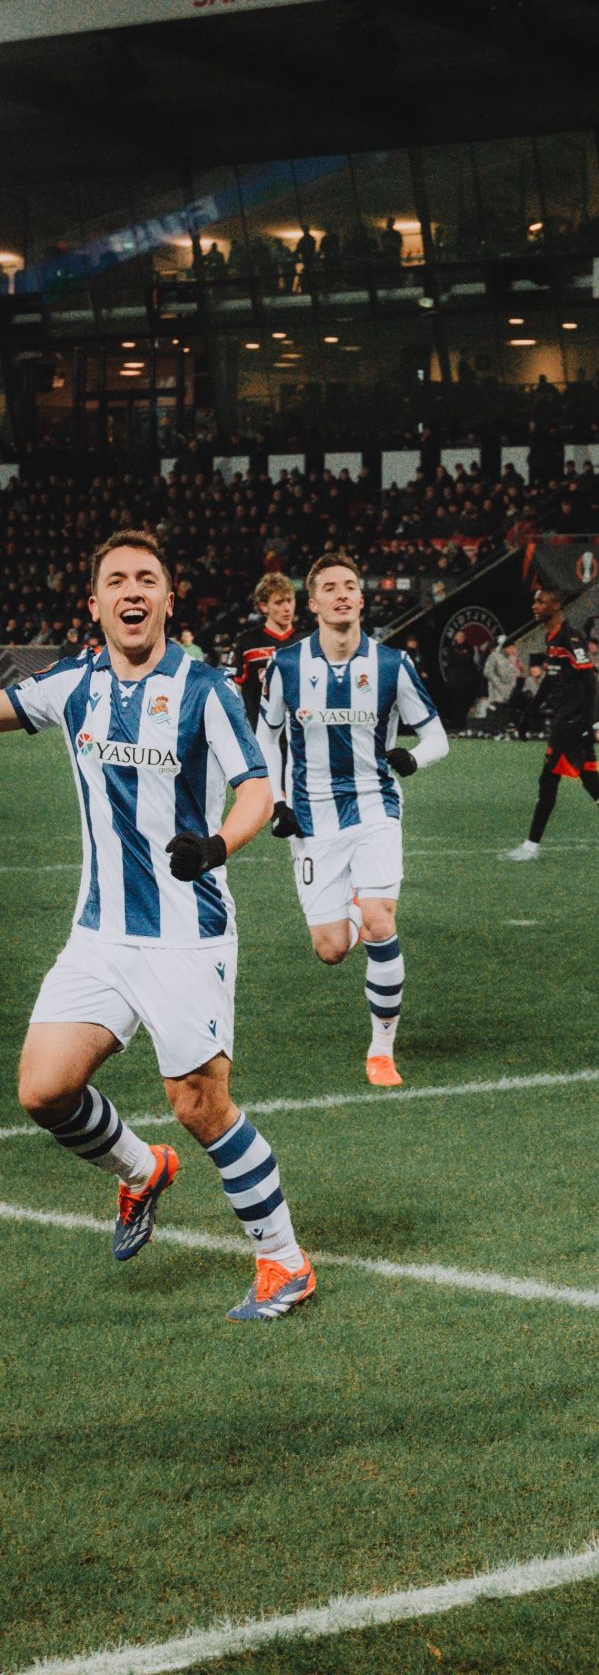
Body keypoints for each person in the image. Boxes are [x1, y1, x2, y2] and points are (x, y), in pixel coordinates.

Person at [1, 530, 316, 1320]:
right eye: (116, 580)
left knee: (201, 1106)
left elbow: (257, 791)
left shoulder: (204, 687)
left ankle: (285, 1262)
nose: (131, 591)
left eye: (147, 579)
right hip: (100, 932)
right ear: (97, 603)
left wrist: (214, 846)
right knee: (43, 1089)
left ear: (168, 601)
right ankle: (142, 1171)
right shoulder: (72, 684)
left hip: (186, 933)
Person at [259, 551, 449, 1087]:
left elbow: (437, 736)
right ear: (313, 602)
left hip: (375, 809)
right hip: (313, 820)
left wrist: (414, 757)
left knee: (380, 920)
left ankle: (381, 1050)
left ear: (361, 600)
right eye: (330, 587)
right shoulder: (286, 666)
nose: (342, 594)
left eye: (350, 586)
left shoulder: (392, 665)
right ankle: (351, 906)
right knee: (332, 949)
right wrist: (275, 801)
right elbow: (265, 738)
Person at [500, 587, 599, 863]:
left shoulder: (570, 636)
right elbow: (550, 680)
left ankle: (530, 846)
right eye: (535, 601)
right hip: (567, 718)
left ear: (557, 605)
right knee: (590, 780)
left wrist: (591, 718)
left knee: (548, 780)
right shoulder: (551, 639)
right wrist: (528, 713)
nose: (534, 606)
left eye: (541, 601)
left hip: (572, 722)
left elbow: (588, 679)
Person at [231, 573, 303, 729]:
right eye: (279, 602)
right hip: (257, 731)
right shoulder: (247, 641)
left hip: (299, 734)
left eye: (290, 600)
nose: (287, 608)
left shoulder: (306, 641)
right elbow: (236, 690)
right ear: (264, 606)